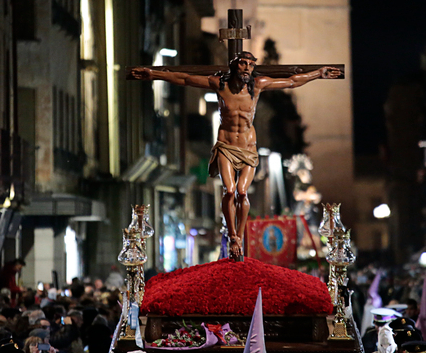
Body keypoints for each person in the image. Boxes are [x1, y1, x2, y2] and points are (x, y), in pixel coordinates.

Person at [130, 51, 341, 260]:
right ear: (234, 66)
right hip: (226, 146)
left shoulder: (256, 86)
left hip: (248, 149)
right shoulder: (220, 85)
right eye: (243, 63)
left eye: (251, 64)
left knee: (242, 192)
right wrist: (153, 74)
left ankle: (239, 235)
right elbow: (185, 78)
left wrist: (318, 73)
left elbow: (292, 81)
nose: (247, 67)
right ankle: (233, 236)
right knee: (229, 191)